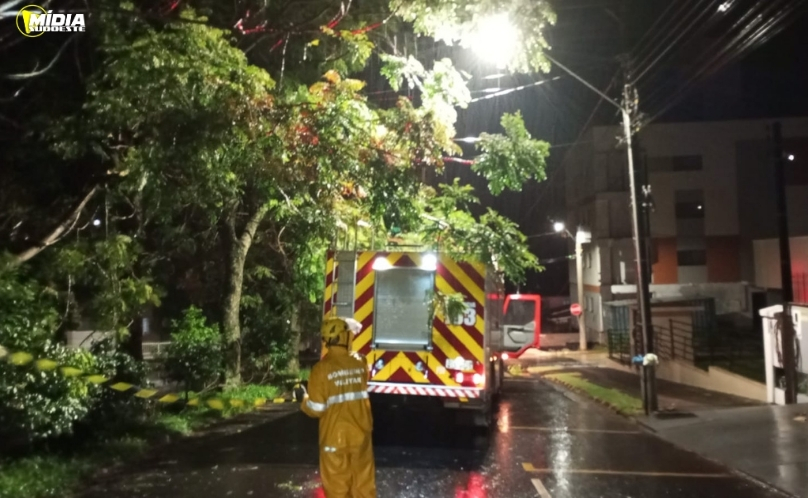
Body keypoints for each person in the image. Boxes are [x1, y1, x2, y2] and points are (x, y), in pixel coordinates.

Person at [301, 317, 376, 498]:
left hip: (333, 440)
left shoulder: (320, 370)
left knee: (337, 489)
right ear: (345, 337)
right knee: (364, 486)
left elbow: (316, 408)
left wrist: (303, 398)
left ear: (327, 340)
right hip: (361, 438)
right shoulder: (360, 362)